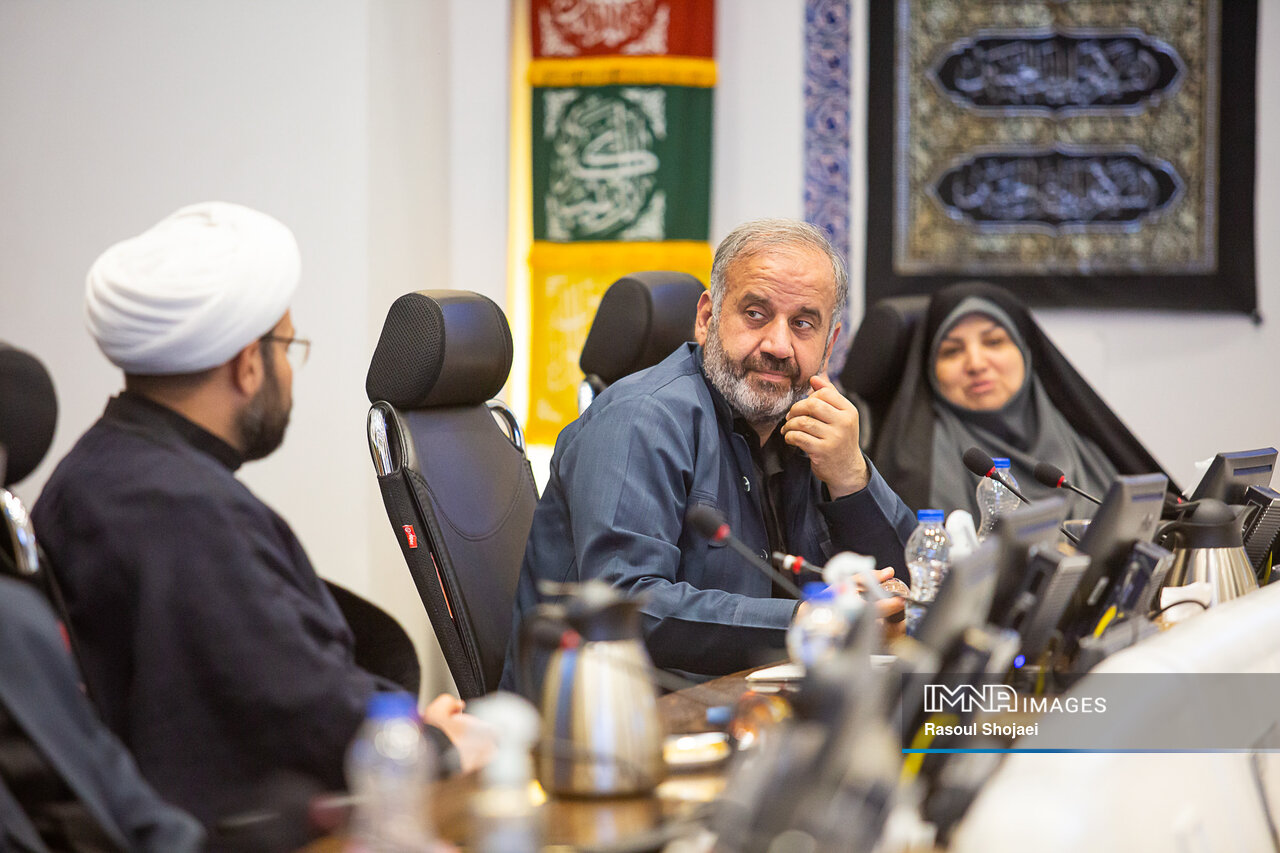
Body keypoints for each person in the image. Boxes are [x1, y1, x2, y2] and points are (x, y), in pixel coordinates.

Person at [32, 202, 485, 847]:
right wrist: (434, 746)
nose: (290, 373)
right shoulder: (183, 509)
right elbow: (294, 710)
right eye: (288, 347)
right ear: (248, 365)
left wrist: (408, 724)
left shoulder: (92, 471)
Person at [501, 219, 915, 687]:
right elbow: (627, 604)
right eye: (755, 314)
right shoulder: (639, 419)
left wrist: (851, 477)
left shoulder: (810, 425)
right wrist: (806, 618)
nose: (779, 346)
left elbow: (912, 589)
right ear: (706, 318)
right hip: (608, 712)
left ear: (830, 344)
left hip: (759, 699)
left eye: (803, 324)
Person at [869, 281, 1173, 519]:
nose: (976, 363)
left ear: (1027, 353)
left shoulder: (1084, 443)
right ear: (929, 371)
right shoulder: (916, 474)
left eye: (994, 342)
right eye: (952, 351)